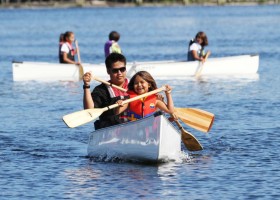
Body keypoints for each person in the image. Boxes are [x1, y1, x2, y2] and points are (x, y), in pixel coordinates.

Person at [83, 53, 129, 130]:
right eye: (115, 70)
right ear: (108, 71)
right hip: (110, 131)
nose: (119, 73)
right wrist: (86, 86)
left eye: (122, 69)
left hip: (133, 128)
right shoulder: (101, 90)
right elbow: (89, 110)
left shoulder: (135, 86)